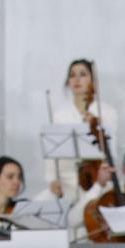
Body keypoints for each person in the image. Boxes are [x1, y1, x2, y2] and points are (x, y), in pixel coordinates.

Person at [46, 59, 117, 204]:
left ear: (93, 81)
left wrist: (94, 123)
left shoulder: (107, 112)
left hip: (97, 179)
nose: (77, 79)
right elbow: (51, 155)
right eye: (72, 75)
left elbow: (111, 149)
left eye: (83, 74)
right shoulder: (59, 115)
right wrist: (52, 179)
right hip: (67, 181)